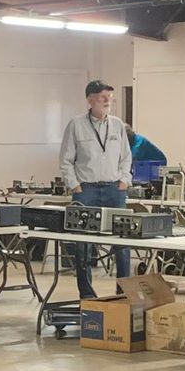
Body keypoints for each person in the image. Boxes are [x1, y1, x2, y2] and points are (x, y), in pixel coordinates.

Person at [59, 79, 133, 297]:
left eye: (109, 97)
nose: (107, 100)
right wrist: (75, 186)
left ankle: (123, 293)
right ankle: (87, 295)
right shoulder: (76, 125)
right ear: (90, 100)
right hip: (86, 190)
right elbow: (66, 160)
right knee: (82, 244)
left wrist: (124, 180)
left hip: (114, 189)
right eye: (102, 97)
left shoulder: (117, 125)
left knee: (123, 243)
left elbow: (126, 157)